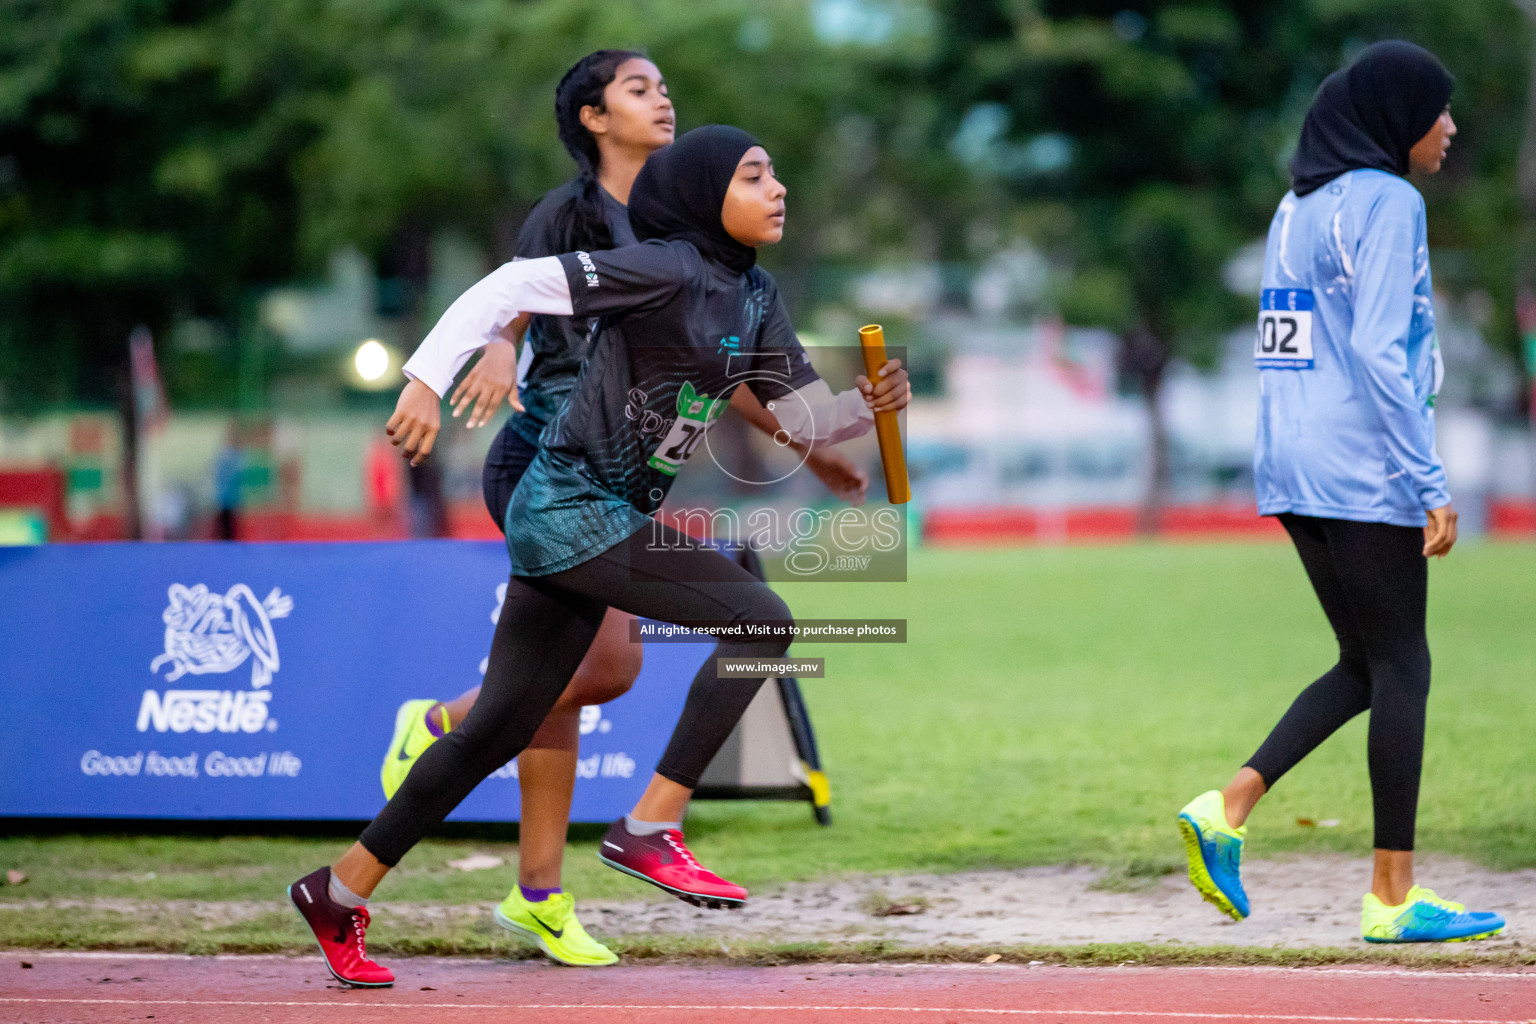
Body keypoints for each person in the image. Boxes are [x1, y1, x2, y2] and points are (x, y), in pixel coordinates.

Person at [290, 125, 910, 986]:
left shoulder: (756, 294)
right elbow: (509, 284)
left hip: (598, 516)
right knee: (763, 620)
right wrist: (427, 377)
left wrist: (867, 404)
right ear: (704, 196)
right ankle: (652, 826)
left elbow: (801, 414)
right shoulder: (662, 267)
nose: (778, 191)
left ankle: (339, 889)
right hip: (571, 505)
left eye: (778, 177)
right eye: (755, 176)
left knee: (494, 729)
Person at [1177, 41, 1504, 945]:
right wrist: (1428, 478)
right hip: (1362, 468)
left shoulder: (1297, 205)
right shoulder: (1389, 200)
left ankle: (1226, 808)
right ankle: (1393, 899)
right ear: (1397, 119)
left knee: (1367, 662)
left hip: (1291, 465)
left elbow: (1292, 342)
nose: (1447, 127)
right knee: (1406, 665)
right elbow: (1375, 349)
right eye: (1436, 109)